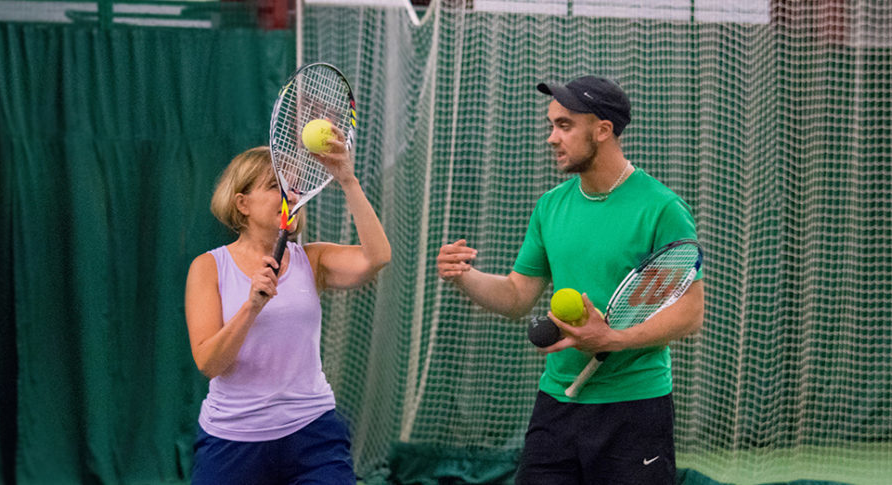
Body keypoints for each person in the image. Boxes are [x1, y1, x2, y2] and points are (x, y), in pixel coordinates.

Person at [435, 75, 705, 484]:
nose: (551, 138)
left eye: (564, 126)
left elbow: (689, 314)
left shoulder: (661, 208)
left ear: (602, 130)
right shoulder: (550, 206)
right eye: (551, 126)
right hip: (556, 404)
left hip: (635, 407)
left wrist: (611, 340)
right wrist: (464, 276)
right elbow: (515, 296)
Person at [185, 136, 391, 484]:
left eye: (294, 187)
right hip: (233, 438)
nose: (292, 196)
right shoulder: (208, 268)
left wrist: (347, 180)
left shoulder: (313, 259)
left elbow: (377, 257)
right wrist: (251, 308)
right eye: (275, 187)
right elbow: (209, 363)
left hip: (313, 433)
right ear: (242, 203)